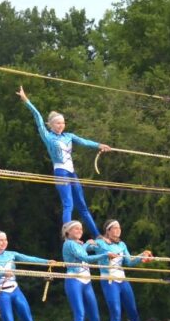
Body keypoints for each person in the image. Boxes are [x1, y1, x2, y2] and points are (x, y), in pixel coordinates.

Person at [16, 85, 111, 238]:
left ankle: (97, 235)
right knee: (68, 204)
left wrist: (99, 145)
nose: (61, 125)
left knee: (82, 205)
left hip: (71, 172)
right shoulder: (48, 137)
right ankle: (67, 234)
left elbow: (84, 142)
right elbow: (38, 117)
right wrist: (26, 101)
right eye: (57, 123)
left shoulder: (69, 136)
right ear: (51, 125)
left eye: (63, 123)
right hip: (60, 171)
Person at [88, 219, 153, 321]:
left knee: (133, 312)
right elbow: (85, 250)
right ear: (108, 231)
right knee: (116, 312)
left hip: (123, 281)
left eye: (119, 228)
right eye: (115, 228)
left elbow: (129, 261)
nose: (118, 230)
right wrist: (89, 243)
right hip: (109, 281)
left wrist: (141, 255)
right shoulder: (101, 243)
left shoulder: (122, 245)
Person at [62, 220, 116, 321]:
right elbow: (85, 258)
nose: (80, 231)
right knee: (80, 313)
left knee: (95, 316)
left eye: (81, 229)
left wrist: (91, 244)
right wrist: (104, 254)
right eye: (76, 229)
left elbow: (85, 250)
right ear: (68, 232)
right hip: (74, 281)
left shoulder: (78, 244)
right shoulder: (69, 244)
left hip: (86, 282)